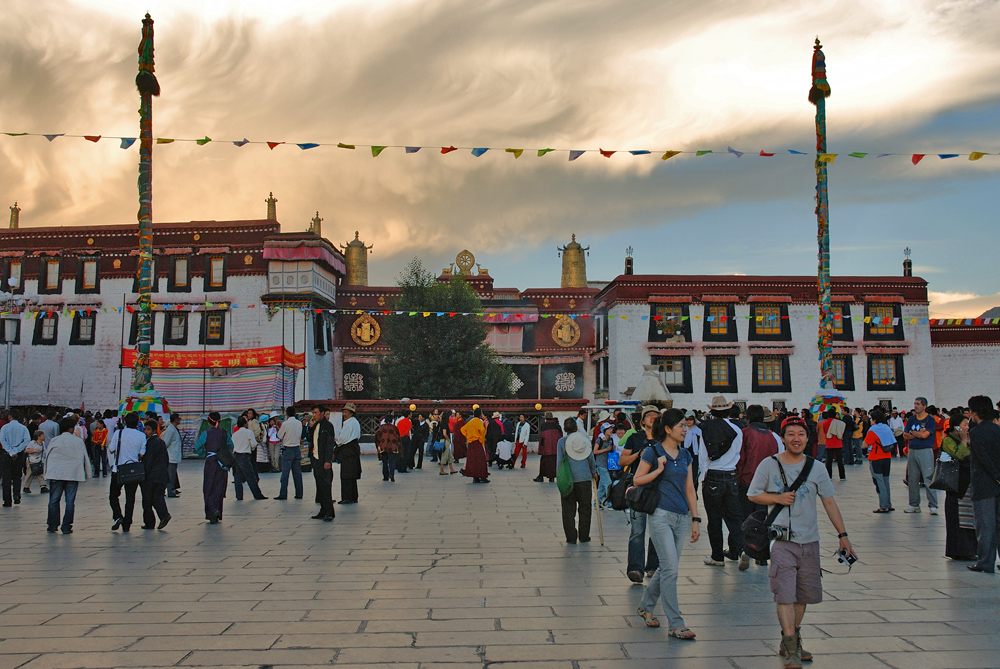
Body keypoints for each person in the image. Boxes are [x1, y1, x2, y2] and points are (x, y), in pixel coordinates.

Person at [747, 416, 855, 668]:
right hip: (781, 540)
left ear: (808, 439)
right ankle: (792, 646)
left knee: (802, 596)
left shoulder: (816, 468)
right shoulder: (769, 464)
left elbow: (829, 502)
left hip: (810, 541)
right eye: (791, 434)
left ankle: (791, 637)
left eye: (801, 434)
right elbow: (752, 494)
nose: (796, 438)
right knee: (785, 594)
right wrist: (778, 498)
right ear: (782, 438)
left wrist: (843, 535)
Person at [633, 409, 700, 639]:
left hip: (682, 517)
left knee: (666, 568)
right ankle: (676, 623)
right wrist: (659, 470)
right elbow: (637, 479)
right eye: (681, 425)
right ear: (668, 429)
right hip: (661, 515)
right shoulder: (653, 452)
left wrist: (695, 519)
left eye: (686, 425)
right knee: (671, 569)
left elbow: (690, 488)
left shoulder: (686, 455)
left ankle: (645, 606)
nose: (685, 429)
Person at [698, 395, 745, 567]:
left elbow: (703, 455)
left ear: (712, 411)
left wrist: (703, 476)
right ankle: (743, 549)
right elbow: (738, 453)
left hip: (713, 475)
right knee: (735, 517)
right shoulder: (737, 429)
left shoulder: (705, 428)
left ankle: (717, 556)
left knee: (714, 518)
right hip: (731, 474)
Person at [736, 405, 784, 569]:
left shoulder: (745, 434)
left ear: (748, 417)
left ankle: (746, 550)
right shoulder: (774, 436)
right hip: (768, 486)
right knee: (765, 519)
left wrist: (738, 478)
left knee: (746, 518)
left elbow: (741, 458)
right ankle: (762, 556)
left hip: (748, 483)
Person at [620, 406, 662, 583]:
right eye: (649, 415)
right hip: (639, 490)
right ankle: (635, 568)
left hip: (659, 490)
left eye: (656, 415)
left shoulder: (665, 440)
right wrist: (639, 454)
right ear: (643, 421)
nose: (653, 417)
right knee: (637, 531)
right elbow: (623, 460)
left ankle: (652, 566)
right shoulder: (635, 438)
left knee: (657, 531)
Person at [967, 395, 1000, 573]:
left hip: (984, 484)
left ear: (974, 412)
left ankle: (986, 562)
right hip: (997, 483)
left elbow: (983, 458)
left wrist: (996, 475)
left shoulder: (976, 432)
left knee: (985, 526)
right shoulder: (997, 429)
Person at [43, 417, 90, 534]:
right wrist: (88, 474)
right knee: (69, 501)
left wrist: (46, 472)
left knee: (54, 500)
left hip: (56, 474)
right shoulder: (78, 441)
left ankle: (52, 524)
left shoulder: (55, 440)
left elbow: (47, 456)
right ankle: (66, 526)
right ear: (70, 428)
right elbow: (85, 458)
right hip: (72, 474)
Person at [941, 411, 977, 560]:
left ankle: (970, 549)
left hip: (967, 484)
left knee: (967, 518)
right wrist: (963, 441)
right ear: (956, 427)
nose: (967, 427)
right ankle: (959, 550)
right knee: (957, 519)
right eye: (964, 425)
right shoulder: (948, 440)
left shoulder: (969, 439)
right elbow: (960, 455)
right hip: (955, 485)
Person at [556, 417, 597, 544]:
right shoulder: (584, 440)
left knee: (568, 510)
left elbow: (559, 461)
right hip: (584, 478)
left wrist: (559, 477)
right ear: (576, 428)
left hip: (568, 479)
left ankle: (571, 537)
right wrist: (594, 471)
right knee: (585, 508)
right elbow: (590, 457)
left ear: (564, 429)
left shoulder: (562, 442)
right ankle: (584, 536)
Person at [108, 412, 146, 532]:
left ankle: (118, 515)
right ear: (137, 422)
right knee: (130, 498)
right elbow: (142, 454)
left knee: (113, 495)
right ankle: (127, 523)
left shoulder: (118, 433)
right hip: (133, 471)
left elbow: (111, 449)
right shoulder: (141, 435)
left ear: (125, 422)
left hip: (118, 469)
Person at [902, 397, 938, 514]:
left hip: (925, 450)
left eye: (918, 404)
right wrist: (916, 433)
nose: (915, 406)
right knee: (912, 479)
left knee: (928, 477)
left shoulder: (930, 420)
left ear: (924, 406)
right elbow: (905, 435)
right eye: (915, 403)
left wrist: (914, 433)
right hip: (912, 450)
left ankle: (933, 505)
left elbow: (925, 435)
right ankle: (914, 504)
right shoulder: (911, 419)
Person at [196, 412, 233, 524]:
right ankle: (217, 510)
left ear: (209, 422)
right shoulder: (225, 433)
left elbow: (198, 447)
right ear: (219, 421)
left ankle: (211, 510)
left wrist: (205, 455)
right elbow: (231, 446)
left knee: (208, 487)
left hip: (210, 462)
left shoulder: (205, 433)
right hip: (222, 463)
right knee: (219, 488)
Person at [140, 419, 171, 530]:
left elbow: (148, 461)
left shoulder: (149, 443)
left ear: (153, 430)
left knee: (147, 500)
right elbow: (166, 459)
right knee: (158, 497)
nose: (145, 431)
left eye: (148, 429)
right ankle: (164, 515)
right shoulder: (160, 442)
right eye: (145, 429)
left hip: (151, 476)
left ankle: (150, 522)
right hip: (161, 475)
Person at [308, 406, 336, 520]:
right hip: (315, 459)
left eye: (316, 413)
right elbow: (309, 439)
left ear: (322, 413)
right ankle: (323, 510)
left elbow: (329, 444)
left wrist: (327, 460)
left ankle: (329, 511)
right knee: (319, 486)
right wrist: (310, 427)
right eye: (313, 413)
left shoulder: (328, 426)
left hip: (323, 459)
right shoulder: (315, 425)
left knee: (325, 486)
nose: (314, 415)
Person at [865, 408, 895, 513]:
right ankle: (888, 504)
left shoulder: (873, 430)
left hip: (875, 458)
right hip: (887, 457)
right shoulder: (887, 427)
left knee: (879, 481)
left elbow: (865, 444)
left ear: (874, 419)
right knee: (886, 480)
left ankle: (883, 505)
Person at [232, 416, 267, 501]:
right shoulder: (249, 432)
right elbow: (254, 444)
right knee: (250, 476)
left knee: (237, 476)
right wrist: (251, 448)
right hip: (245, 455)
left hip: (236, 455)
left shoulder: (235, 434)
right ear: (245, 424)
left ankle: (239, 495)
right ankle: (257, 494)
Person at [1, 410, 30, 507]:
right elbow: (26, 440)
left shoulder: (5, 428)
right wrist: (17, 450)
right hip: (19, 455)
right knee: (17, 476)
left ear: (10, 417)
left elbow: (3, 440)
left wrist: (10, 451)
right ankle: (17, 494)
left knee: (6, 478)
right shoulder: (23, 428)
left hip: (6, 454)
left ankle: (7, 500)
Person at [335, 403, 362, 503]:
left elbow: (343, 438)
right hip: (353, 449)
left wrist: (337, 442)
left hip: (347, 449)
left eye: (346, 412)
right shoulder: (355, 422)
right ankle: (353, 496)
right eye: (344, 412)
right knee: (352, 476)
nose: (344, 414)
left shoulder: (349, 423)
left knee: (346, 475)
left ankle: (346, 497)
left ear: (351, 413)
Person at [275, 406, 304, 500]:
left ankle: (283, 494)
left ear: (286, 414)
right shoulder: (299, 423)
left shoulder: (285, 424)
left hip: (288, 449)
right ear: (295, 413)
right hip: (297, 448)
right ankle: (299, 493)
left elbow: (279, 436)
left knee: (285, 473)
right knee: (297, 473)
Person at [460, 408, 490, 483]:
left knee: (472, 460)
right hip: (478, 442)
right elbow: (482, 431)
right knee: (481, 460)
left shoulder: (471, 422)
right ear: (480, 414)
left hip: (471, 443)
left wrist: (468, 436)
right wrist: (481, 440)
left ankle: (475, 477)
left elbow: (463, 429)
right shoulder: (479, 422)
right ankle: (482, 476)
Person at [820, 410, 846, 481]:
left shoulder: (825, 423)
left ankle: (829, 476)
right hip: (838, 443)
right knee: (840, 461)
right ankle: (842, 476)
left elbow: (825, 432)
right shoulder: (839, 423)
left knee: (829, 461)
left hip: (829, 444)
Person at [534, 412, 561, 483]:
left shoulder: (544, 425)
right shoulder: (557, 425)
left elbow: (542, 438)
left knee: (544, 463)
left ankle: (541, 476)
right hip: (555, 449)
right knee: (553, 463)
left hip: (546, 448)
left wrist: (541, 449)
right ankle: (551, 478)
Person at [593, 422, 614, 508]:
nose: (611, 430)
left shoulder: (610, 440)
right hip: (600, 464)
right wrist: (606, 449)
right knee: (608, 483)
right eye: (608, 429)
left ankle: (596, 503)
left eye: (611, 428)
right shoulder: (600, 440)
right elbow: (595, 451)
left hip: (607, 464)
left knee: (602, 485)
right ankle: (609, 502)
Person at [162, 414, 182, 497]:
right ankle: (170, 491)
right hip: (171, 456)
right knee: (171, 475)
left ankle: (172, 489)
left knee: (173, 474)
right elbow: (166, 442)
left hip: (174, 455)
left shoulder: (174, 429)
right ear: (175, 419)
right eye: (179, 418)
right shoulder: (171, 430)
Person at [375, 414, 400, 482]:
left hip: (384, 446)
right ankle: (392, 475)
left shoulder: (381, 428)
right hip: (393, 446)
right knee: (392, 462)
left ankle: (385, 476)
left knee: (385, 462)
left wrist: (379, 445)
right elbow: (398, 437)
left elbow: (377, 437)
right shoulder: (394, 428)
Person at [22, 429, 47, 495]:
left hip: (39, 460)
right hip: (32, 460)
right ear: (38, 436)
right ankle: (26, 486)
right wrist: (35, 450)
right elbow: (26, 450)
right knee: (30, 473)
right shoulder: (32, 443)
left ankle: (43, 486)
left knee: (40, 473)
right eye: (42, 435)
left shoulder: (43, 443)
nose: (44, 436)